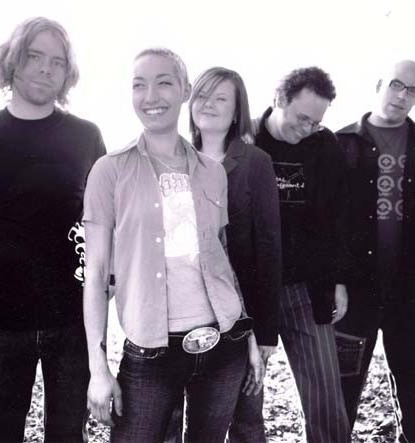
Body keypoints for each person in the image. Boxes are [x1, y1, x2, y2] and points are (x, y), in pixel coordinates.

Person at [83, 48, 263, 442]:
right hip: (151, 352)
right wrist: (98, 368)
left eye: (163, 82)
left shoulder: (212, 172)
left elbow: (222, 259)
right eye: (139, 85)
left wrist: (248, 333)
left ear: (185, 90)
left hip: (224, 342)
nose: (151, 96)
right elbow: (94, 275)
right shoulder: (109, 171)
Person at [0, 17, 106, 442]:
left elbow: (102, 222)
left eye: (57, 61)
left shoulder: (86, 137)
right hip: (0, 321)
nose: (45, 68)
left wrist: (106, 286)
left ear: (68, 73)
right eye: (34, 56)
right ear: (12, 61)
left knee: (68, 436)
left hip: (72, 320)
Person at [335, 60, 415, 443]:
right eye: (396, 84)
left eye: (411, 90)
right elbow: (324, 220)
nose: (402, 95)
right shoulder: (340, 144)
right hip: (352, 294)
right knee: (338, 402)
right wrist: (334, 280)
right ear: (379, 83)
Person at [252, 67, 351, 443]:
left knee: (326, 398)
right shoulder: (245, 137)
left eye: (316, 122)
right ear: (279, 99)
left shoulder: (325, 145)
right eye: (302, 118)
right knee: (244, 399)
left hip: (305, 289)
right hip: (249, 290)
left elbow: (338, 217)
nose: (308, 128)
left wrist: (339, 281)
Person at [188, 67, 281, 442]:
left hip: (241, 315)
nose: (208, 104)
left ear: (237, 109)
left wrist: (266, 331)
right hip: (184, 312)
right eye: (202, 95)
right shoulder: (175, 157)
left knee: (246, 419)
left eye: (220, 98)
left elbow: (269, 247)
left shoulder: (256, 162)